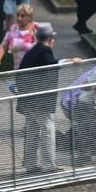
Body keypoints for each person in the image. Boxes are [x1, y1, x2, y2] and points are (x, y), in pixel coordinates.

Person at [16, 25, 60, 173]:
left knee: (33, 129)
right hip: (39, 100)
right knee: (48, 128)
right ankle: (49, 165)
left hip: (27, 99)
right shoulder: (45, 51)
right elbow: (52, 66)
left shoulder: (31, 51)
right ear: (50, 38)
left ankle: (30, 164)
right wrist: (69, 60)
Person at [0, 3, 37, 71]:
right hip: (18, 69)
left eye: (22, 16)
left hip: (35, 68)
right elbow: (4, 46)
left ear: (29, 17)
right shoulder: (13, 29)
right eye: (18, 15)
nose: (19, 18)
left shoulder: (36, 29)